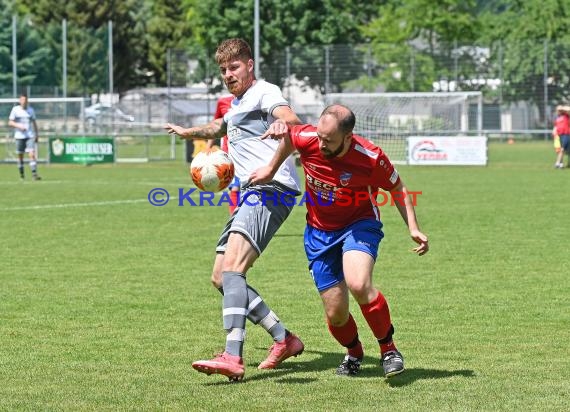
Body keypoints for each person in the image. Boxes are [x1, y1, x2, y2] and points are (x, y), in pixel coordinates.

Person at [250, 104, 429, 378]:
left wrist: (413, 228)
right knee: (336, 313)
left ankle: (389, 349)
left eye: (328, 140)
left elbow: (398, 188)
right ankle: (354, 352)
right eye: (319, 136)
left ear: (348, 137)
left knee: (358, 282)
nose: (320, 144)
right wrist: (270, 169)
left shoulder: (370, 157)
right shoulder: (309, 137)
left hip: (359, 224)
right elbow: (291, 137)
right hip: (319, 233)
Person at [164, 38, 304, 381]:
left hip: (271, 189)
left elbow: (290, 118)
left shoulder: (265, 93)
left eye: (234, 67)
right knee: (220, 277)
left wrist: (283, 124)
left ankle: (232, 355)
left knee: (233, 270)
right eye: (224, 70)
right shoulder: (238, 104)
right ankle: (284, 339)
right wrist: (188, 132)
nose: (228, 74)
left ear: (250, 65)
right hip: (249, 194)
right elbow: (218, 127)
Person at [206, 95, 240, 214]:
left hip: (249, 153)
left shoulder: (254, 100)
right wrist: (207, 149)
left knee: (251, 188)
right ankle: (235, 222)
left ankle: (248, 223)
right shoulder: (223, 102)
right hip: (229, 153)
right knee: (235, 188)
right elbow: (215, 127)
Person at [8, 93, 41, 181]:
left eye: (25, 100)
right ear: (20, 101)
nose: (24, 102)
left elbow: (34, 123)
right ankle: (22, 175)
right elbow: (10, 122)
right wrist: (19, 126)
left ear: (27, 101)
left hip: (29, 135)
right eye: (22, 100)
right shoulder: (15, 110)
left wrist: (37, 134)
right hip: (19, 136)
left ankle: (34, 174)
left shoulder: (31, 110)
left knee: (32, 154)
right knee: (20, 156)